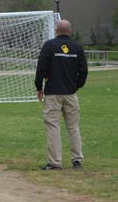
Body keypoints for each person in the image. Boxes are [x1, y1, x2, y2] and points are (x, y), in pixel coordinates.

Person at [35, 19, 88, 170]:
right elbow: (83, 71)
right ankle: (77, 159)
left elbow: (41, 68)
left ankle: (55, 162)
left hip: (52, 93)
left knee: (53, 126)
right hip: (71, 93)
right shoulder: (77, 47)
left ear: (56, 31)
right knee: (73, 127)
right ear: (70, 32)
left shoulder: (49, 45)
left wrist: (39, 87)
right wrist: (76, 86)